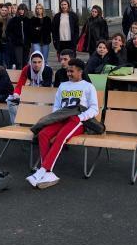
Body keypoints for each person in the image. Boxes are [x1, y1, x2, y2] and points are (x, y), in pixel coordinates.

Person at [26, 58, 98, 189]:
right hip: (61, 118)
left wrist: (80, 117)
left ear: (80, 71)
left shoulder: (88, 86)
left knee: (61, 137)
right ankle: (48, 173)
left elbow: (94, 109)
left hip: (77, 121)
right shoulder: (63, 85)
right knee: (43, 134)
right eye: (68, 71)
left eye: (72, 71)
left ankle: (42, 170)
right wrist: (55, 118)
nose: (69, 73)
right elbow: (57, 106)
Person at [7, 51, 53, 124]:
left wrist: (32, 96)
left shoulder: (47, 70)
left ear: (43, 62)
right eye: (34, 62)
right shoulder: (27, 69)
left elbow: (46, 87)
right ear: (30, 62)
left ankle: (37, 125)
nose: (37, 65)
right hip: (30, 93)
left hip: (43, 95)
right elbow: (20, 84)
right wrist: (16, 94)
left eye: (39, 62)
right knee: (11, 102)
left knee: (39, 105)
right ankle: (16, 124)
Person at [6, 3, 31, 69]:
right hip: (17, 44)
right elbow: (8, 31)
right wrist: (13, 39)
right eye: (20, 9)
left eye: (23, 10)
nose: (21, 11)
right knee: (18, 61)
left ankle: (25, 76)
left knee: (25, 61)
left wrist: (29, 40)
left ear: (25, 10)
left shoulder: (28, 20)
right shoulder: (13, 20)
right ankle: (18, 76)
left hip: (26, 44)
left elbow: (31, 33)